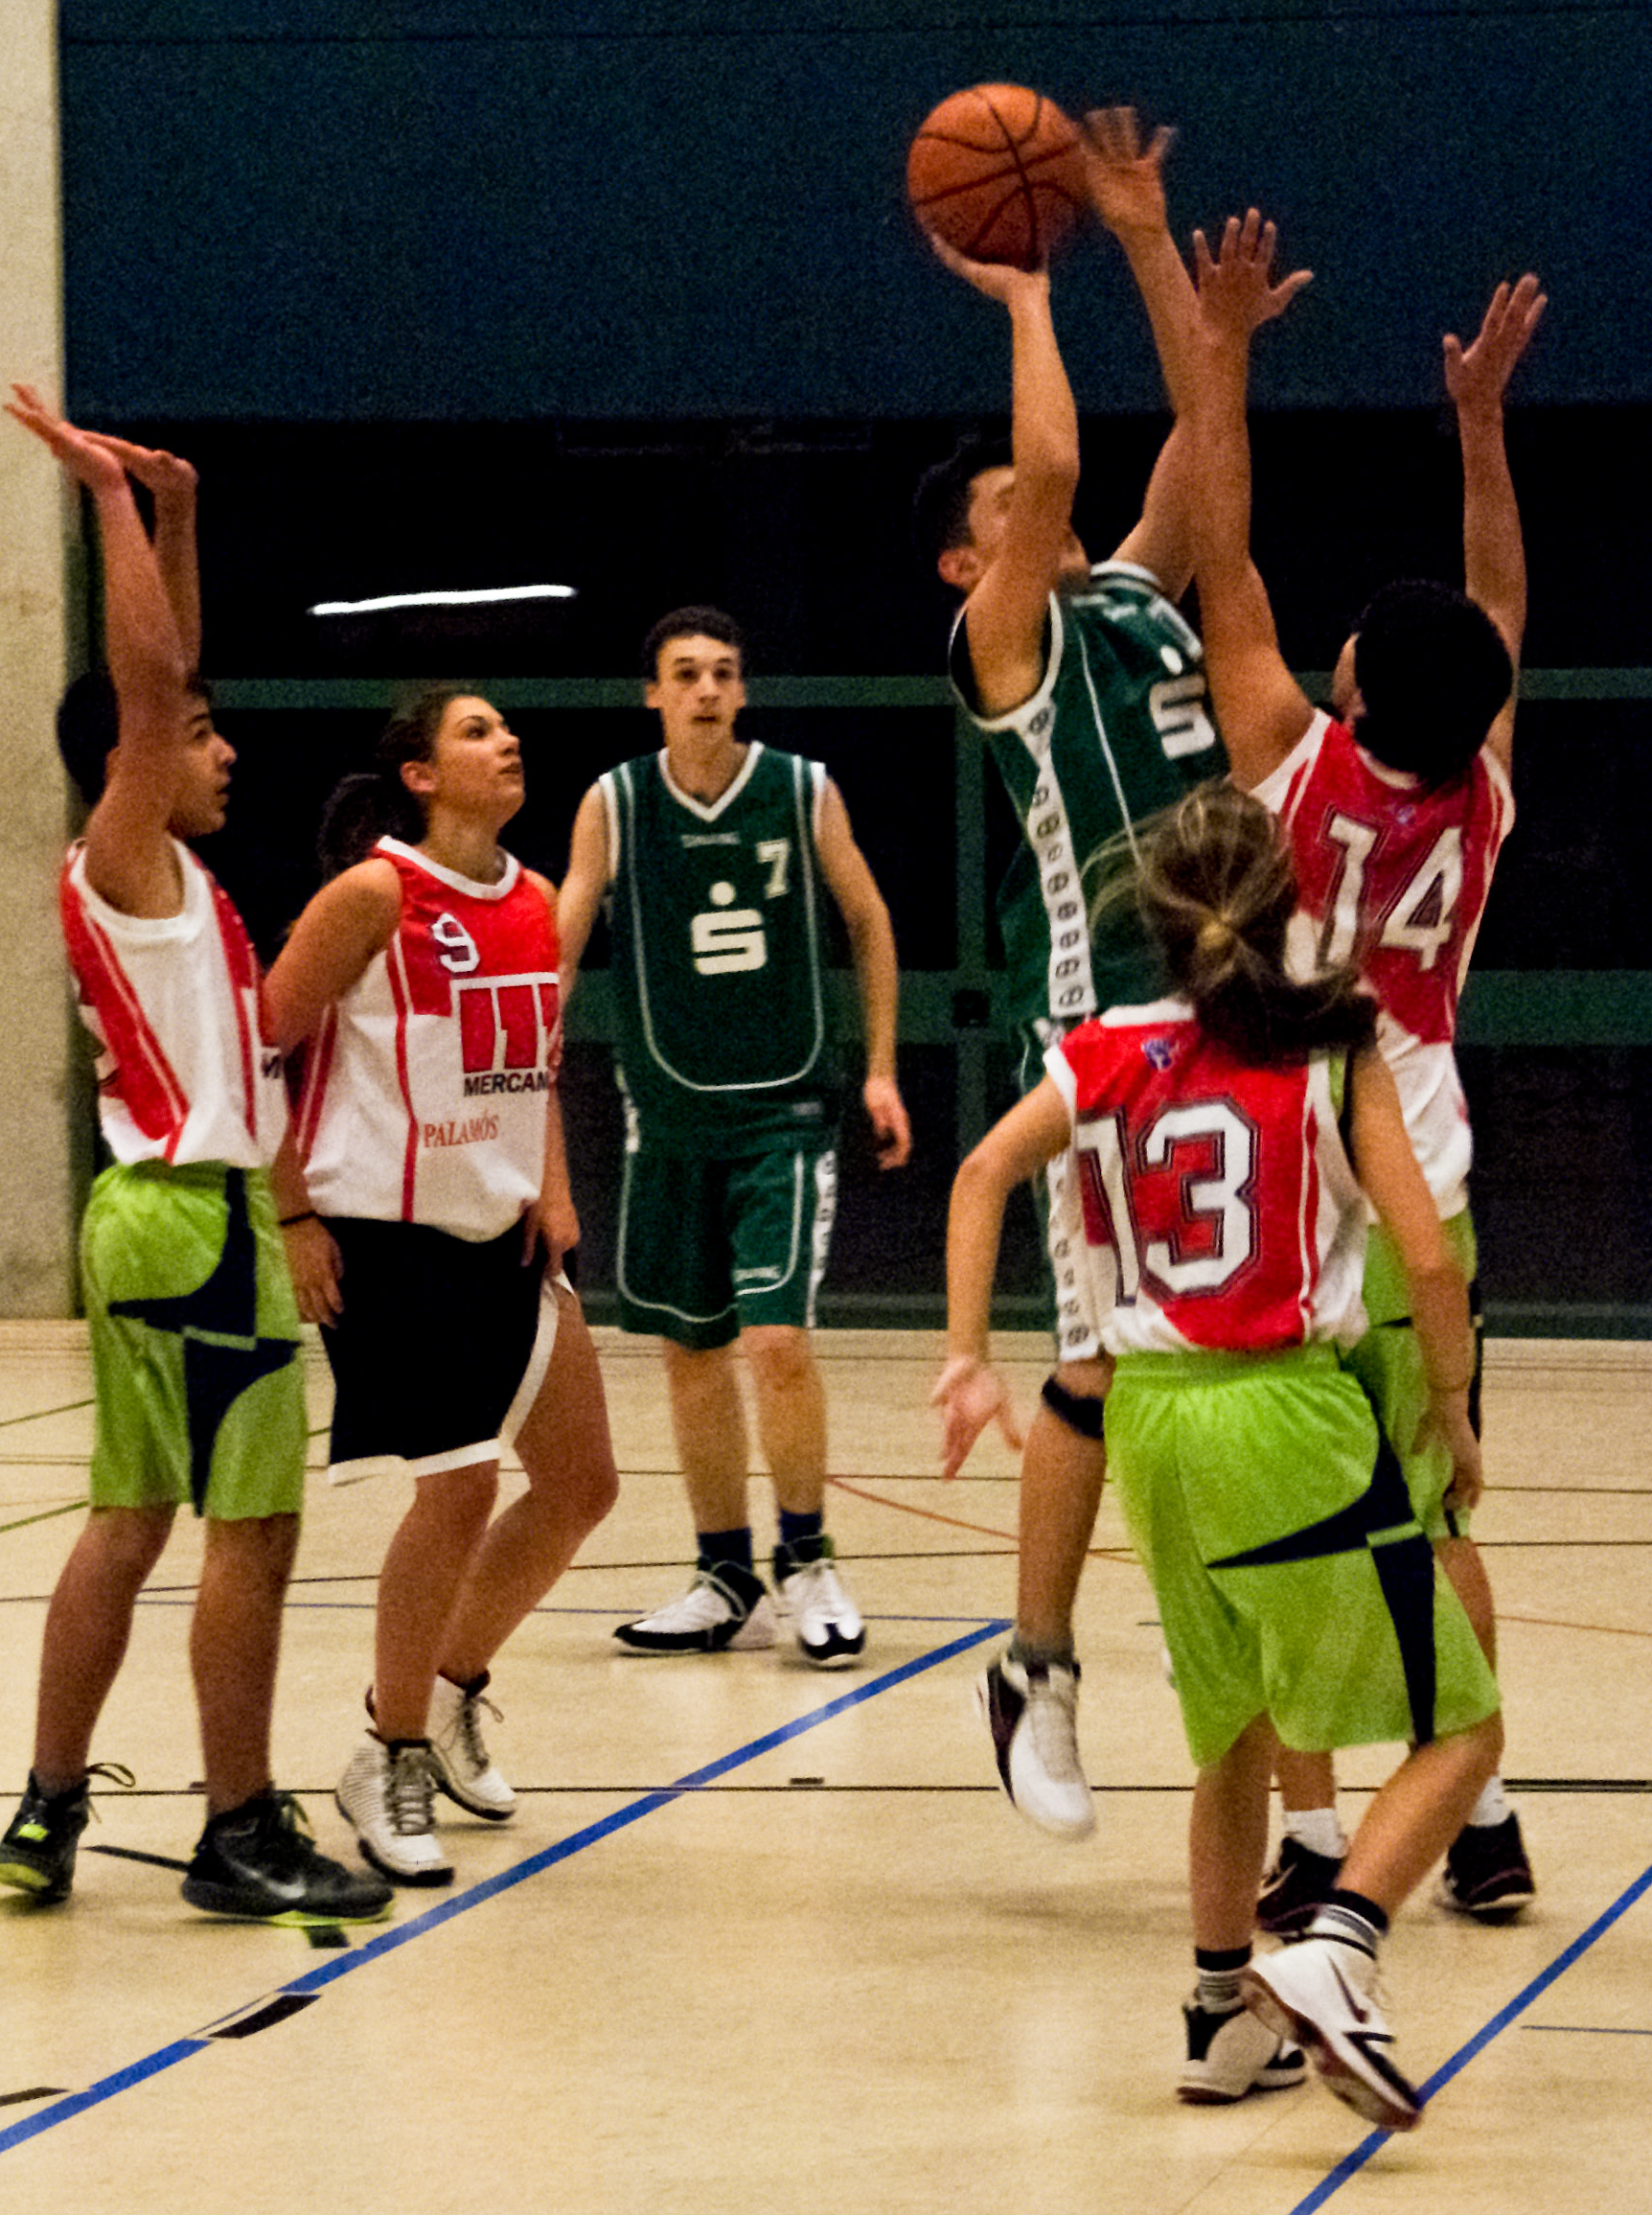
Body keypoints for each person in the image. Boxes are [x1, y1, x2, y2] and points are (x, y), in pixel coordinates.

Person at [937, 779, 1503, 2134]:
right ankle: (1337, 1948)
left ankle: (1216, 2010)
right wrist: (1448, 1404)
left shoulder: (1102, 1048)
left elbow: (977, 1175)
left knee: (1236, 1726)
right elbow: (1427, 1258)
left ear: (1152, 914)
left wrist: (966, 1353)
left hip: (1148, 1421)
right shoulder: (1331, 1041)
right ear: (1287, 896)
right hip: (1282, 1411)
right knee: (1461, 1730)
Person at [0, 391, 391, 1927]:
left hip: (140, 1217)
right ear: (132, 759)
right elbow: (150, 685)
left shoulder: (155, 877)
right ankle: (237, 1822)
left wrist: (179, 513)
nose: (224, 746)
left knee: (128, 1516)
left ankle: (48, 1801)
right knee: (252, 1529)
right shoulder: (126, 852)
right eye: (199, 734)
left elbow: (165, 670)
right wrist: (105, 500)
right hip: (202, 1223)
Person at [914, 105, 1254, 1836]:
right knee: (1100, 1359)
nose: (1031, 505)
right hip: (1108, 1016)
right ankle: (1032, 1663)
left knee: (1258, 1345)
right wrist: (1025, 286)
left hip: (1241, 1006)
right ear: (966, 563)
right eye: (997, 511)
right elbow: (1047, 470)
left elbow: (1203, 435)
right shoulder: (1003, 644)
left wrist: (1133, 234)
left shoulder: (1132, 595)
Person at [1244, 281, 1549, 1935]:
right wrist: (1480, 427)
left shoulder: (1292, 760)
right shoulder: (1480, 790)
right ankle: (1479, 1813)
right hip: (1426, 1174)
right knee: (1432, 1517)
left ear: (1353, 681)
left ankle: (1309, 1839)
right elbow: (1494, 603)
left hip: (1297, 1185)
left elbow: (1221, 556)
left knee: (1287, 1533)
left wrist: (1219, 360)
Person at [262, 688, 623, 1886]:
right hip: (384, 1234)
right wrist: (292, 1213)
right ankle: (390, 1752)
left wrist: (553, 1185)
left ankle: (449, 1683)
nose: (505, 740)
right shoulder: (373, 895)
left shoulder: (531, 898)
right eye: (475, 730)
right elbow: (260, 1046)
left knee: (581, 1483)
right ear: (418, 774)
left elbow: (530, 1063)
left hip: (502, 1229)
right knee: (459, 1489)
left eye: (506, 728)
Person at [556, 606, 912, 1667]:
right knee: (691, 1352)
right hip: (666, 1116)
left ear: (743, 689)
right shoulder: (615, 801)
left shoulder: (801, 789)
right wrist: (524, 1058)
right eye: (685, 673)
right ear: (652, 694)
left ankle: (806, 1557)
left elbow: (870, 920)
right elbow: (564, 936)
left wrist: (881, 1067)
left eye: (722, 671)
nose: (706, 688)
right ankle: (724, 1576)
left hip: (782, 1113)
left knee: (777, 1341)